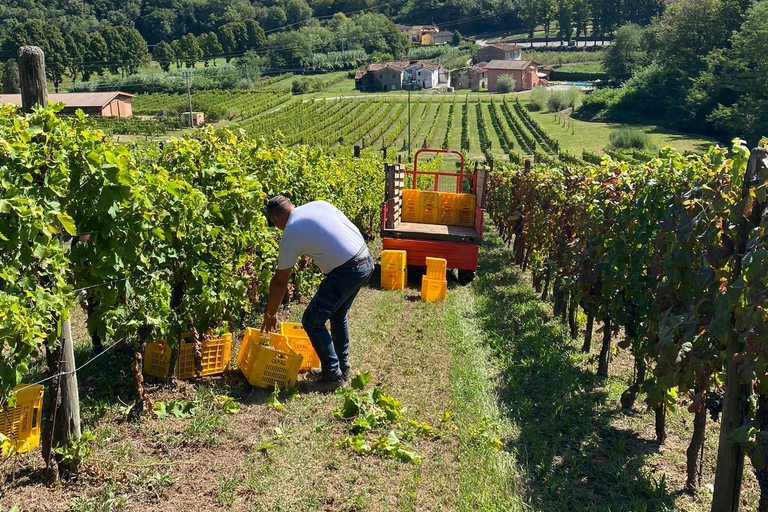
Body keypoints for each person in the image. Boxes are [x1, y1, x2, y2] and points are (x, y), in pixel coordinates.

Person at [260, 196, 374, 392]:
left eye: (274, 224)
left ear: (275, 218)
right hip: (365, 260)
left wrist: (270, 314)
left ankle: (332, 375)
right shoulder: (318, 205)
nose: (278, 229)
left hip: (347, 270)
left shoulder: (291, 230)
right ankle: (341, 368)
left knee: (312, 321)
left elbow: (280, 281)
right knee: (337, 314)